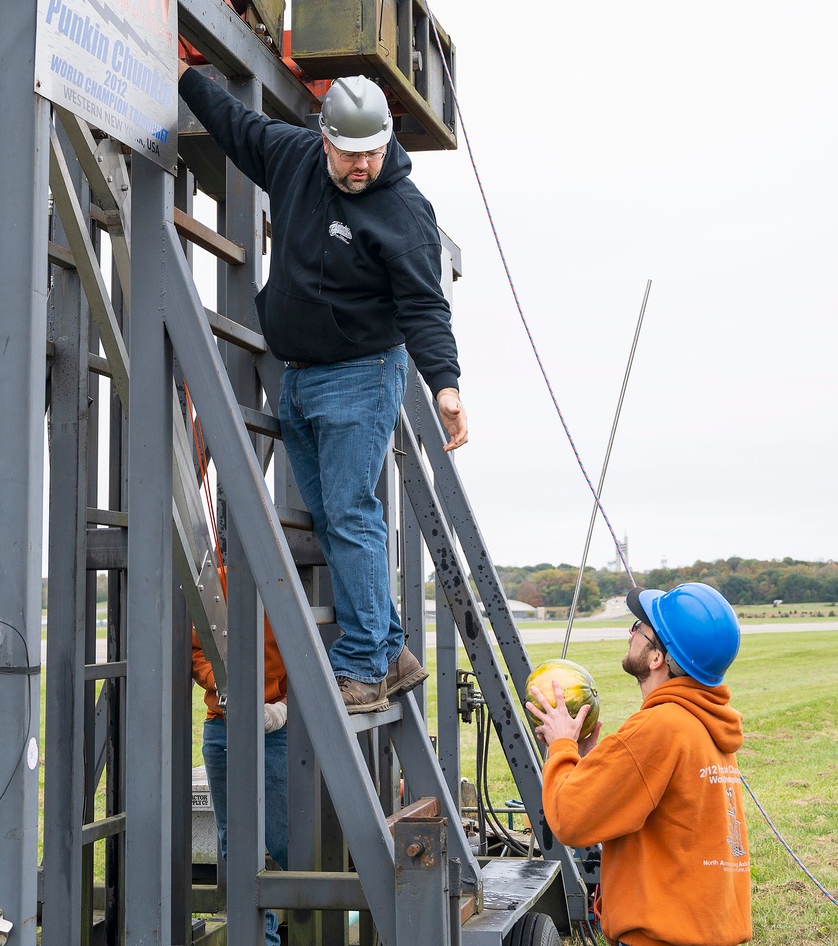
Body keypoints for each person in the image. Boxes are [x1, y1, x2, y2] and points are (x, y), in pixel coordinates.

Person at [178, 62, 468, 712]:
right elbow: (235, 124)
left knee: (349, 513)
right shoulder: (293, 157)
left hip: (362, 376)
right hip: (301, 379)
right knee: (334, 518)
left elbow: (425, 307)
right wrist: (184, 76)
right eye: (349, 152)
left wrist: (445, 384)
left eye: (373, 152)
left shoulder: (402, 212)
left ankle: (365, 666)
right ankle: (390, 650)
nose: (362, 165)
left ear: (384, 142)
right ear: (325, 138)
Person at [527, 582, 751, 946]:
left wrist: (562, 745)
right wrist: (585, 763)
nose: (629, 633)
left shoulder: (658, 728)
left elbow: (570, 819)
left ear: (656, 658)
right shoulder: (706, 725)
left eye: (639, 628)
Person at [193, 612, 289, 946]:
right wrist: (218, 679)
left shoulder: (291, 582)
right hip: (222, 724)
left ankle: (316, 924)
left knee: (285, 840)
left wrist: (283, 710)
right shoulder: (213, 573)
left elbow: (317, 662)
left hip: (278, 724)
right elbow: (196, 649)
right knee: (234, 842)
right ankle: (262, 939)